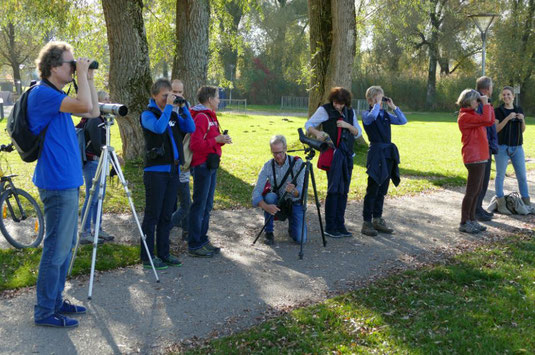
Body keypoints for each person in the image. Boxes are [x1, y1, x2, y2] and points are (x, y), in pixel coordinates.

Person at [28, 41, 99, 328]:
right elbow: (84, 105)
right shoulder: (43, 94)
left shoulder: (55, 94)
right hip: (56, 183)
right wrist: (81, 75)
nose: (73, 68)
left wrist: (89, 77)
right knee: (56, 248)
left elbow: (91, 111)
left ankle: (55, 300)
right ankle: (45, 311)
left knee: (66, 244)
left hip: (67, 181)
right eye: (70, 64)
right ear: (54, 67)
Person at [140, 78, 195, 269]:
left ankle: (164, 253)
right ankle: (147, 257)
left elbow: (190, 128)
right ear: (154, 95)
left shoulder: (171, 112)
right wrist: (168, 109)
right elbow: (159, 128)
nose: (168, 99)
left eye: (170, 95)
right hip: (155, 172)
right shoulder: (147, 114)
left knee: (166, 215)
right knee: (152, 215)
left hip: (173, 170)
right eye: (165, 96)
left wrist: (183, 107)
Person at [305, 87, 362, 238]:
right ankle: (330, 226)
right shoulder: (325, 110)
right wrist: (318, 133)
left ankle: (340, 224)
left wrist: (348, 126)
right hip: (333, 156)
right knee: (334, 189)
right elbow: (308, 125)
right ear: (332, 100)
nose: (338, 106)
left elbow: (358, 133)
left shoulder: (350, 112)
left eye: (341, 104)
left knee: (344, 191)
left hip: (348, 156)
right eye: (336, 103)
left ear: (346, 102)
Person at [187, 86, 231, 257]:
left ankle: (203, 240)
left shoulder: (212, 117)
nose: (219, 100)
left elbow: (210, 140)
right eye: (218, 97)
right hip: (202, 166)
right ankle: (194, 243)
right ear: (210, 99)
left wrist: (221, 140)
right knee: (199, 205)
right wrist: (216, 139)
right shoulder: (202, 117)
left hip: (211, 165)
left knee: (207, 205)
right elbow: (195, 145)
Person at [360, 86, 407, 236]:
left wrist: (393, 107)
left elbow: (403, 121)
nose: (380, 101)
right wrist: (375, 105)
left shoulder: (385, 115)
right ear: (370, 100)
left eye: (381, 98)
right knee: (373, 188)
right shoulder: (367, 114)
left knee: (382, 189)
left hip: (387, 154)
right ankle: (367, 222)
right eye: (377, 98)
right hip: (376, 154)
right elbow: (372, 117)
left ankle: (377, 219)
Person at [252, 135, 307, 245]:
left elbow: (301, 191)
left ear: (286, 148)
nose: (278, 156)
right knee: (269, 197)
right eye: (275, 153)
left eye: (280, 152)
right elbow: (256, 192)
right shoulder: (268, 166)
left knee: (300, 239)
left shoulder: (298, 163)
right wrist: (266, 207)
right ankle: (269, 232)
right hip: (278, 201)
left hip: (294, 202)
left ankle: (293, 223)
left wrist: (294, 190)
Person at [78, 90, 115, 245]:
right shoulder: (93, 120)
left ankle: (98, 229)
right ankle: (85, 232)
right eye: (104, 100)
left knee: (100, 197)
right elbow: (97, 145)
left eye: (108, 99)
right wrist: (114, 157)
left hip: (100, 161)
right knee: (92, 197)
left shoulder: (102, 120)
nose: (108, 102)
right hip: (93, 163)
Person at [456, 89, 494, 233]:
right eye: (476, 100)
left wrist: (487, 105)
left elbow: (489, 121)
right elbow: (486, 119)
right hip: (474, 157)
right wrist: (485, 104)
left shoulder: (472, 114)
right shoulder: (465, 116)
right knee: (471, 192)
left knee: (477, 191)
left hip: (481, 156)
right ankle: (464, 222)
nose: (478, 103)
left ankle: (472, 219)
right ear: (469, 101)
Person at [493, 86, 531, 213]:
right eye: (504, 95)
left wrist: (523, 120)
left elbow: (522, 130)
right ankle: (501, 203)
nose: (506, 97)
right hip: (502, 147)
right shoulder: (498, 110)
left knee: (522, 176)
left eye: (508, 94)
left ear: (513, 96)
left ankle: (526, 202)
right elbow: (496, 129)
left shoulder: (519, 109)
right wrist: (508, 118)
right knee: (500, 175)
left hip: (517, 147)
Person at [170, 79, 192, 240]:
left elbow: (191, 128)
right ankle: (165, 229)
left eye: (180, 92)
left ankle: (185, 229)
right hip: (169, 161)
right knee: (181, 202)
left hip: (184, 159)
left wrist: (184, 108)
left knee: (185, 201)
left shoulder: (185, 107)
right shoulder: (164, 108)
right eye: (174, 91)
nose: (177, 95)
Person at [474, 76, 498, 221]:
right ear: (486, 89)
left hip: (487, 145)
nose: (492, 89)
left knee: (484, 180)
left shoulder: (483, 102)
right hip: (483, 146)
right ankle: (476, 210)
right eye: (491, 87)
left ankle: (479, 208)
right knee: (480, 181)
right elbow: (486, 123)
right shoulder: (479, 103)